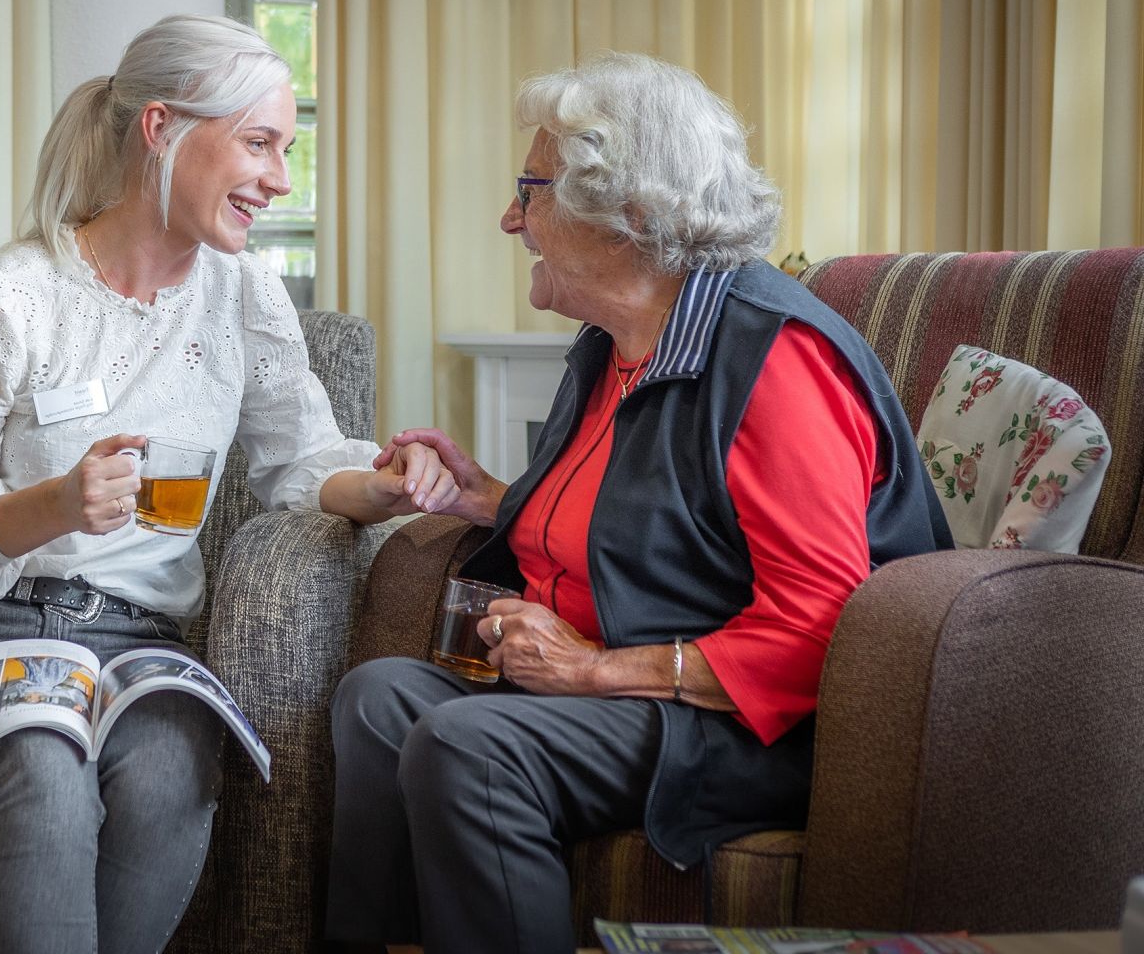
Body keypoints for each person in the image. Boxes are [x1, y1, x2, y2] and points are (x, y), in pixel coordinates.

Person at [326, 52, 953, 954]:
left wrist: (590, 672)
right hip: (637, 696)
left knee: (469, 746)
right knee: (379, 699)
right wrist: (489, 500)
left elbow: (819, 631)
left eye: (530, 190)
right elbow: (644, 525)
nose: (512, 219)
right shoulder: (617, 343)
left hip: (745, 726)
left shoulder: (771, 361)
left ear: (631, 216)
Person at [0, 13, 456, 954]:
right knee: (44, 764)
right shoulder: (7, 298)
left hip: (137, 652)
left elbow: (300, 459)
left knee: (171, 771)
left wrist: (380, 485)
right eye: (258, 143)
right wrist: (55, 505)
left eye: (286, 149)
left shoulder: (246, 297)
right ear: (161, 128)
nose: (280, 179)